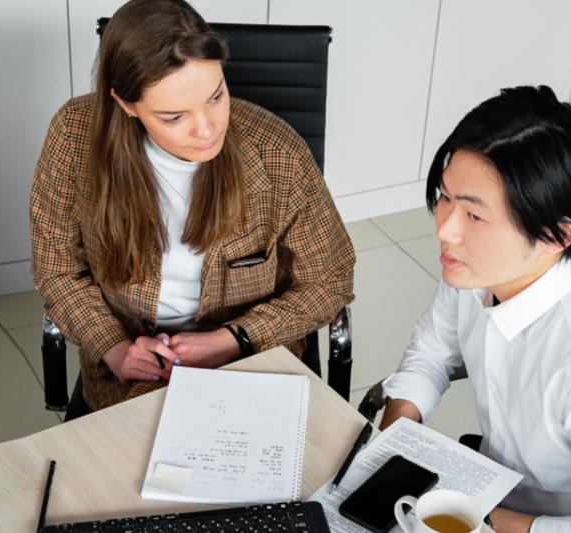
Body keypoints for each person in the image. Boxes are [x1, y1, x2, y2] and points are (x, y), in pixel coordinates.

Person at [30, 0, 354, 412]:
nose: (207, 129)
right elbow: (57, 268)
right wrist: (113, 347)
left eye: (216, 96)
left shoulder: (277, 153)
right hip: (126, 376)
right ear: (126, 104)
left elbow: (331, 281)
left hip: (251, 365)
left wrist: (234, 339)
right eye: (173, 117)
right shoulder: (73, 138)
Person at [380, 86, 571, 532]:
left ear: (557, 236)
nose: (445, 229)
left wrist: (482, 514)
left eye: (475, 217)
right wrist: (390, 449)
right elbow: (429, 355)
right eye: (445, 197)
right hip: (487, 488)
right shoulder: (478, 270)